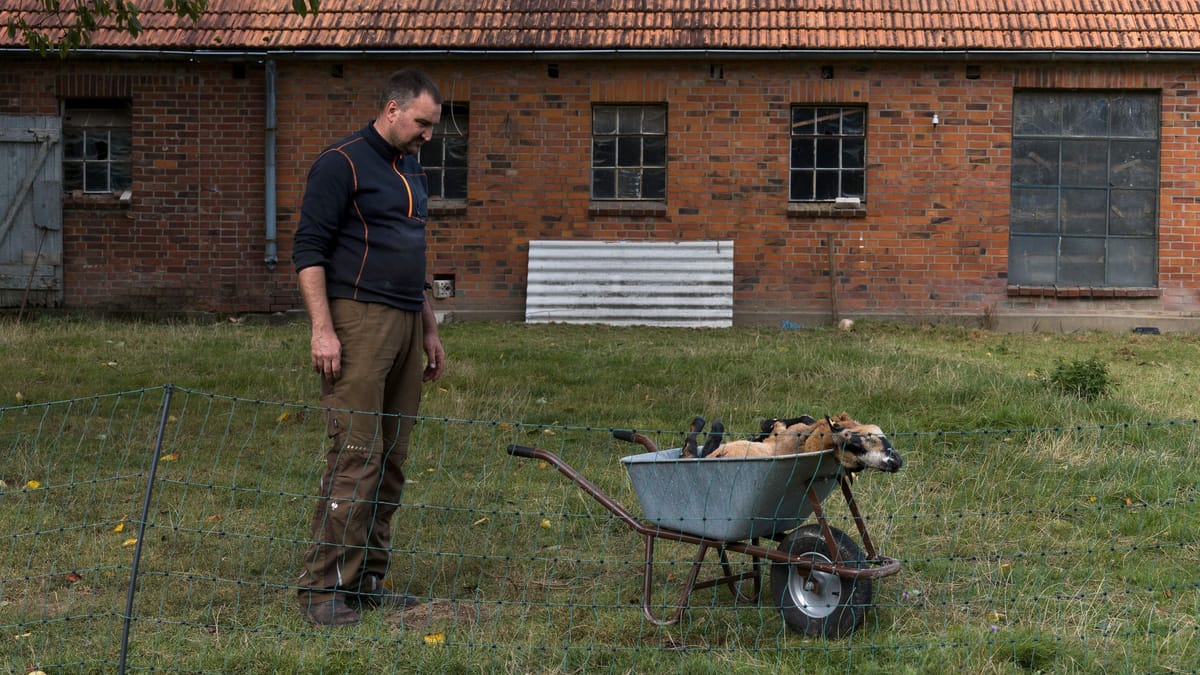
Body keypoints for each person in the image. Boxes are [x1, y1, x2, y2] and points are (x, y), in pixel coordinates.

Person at [291, 69, 447, 627]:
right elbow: (308, 249)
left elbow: (413, 250)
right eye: (422, 123)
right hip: (356, 319)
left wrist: (428, 325)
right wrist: (322, 329)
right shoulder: (342, 163)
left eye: (432, 125)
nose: (429, 134)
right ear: (391, 109)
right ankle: (322, 590)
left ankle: (368, 579)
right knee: (355, 457)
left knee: (393, 457)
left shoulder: (410, 167)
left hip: (407, 319)